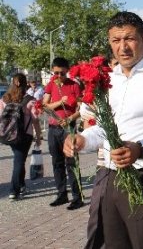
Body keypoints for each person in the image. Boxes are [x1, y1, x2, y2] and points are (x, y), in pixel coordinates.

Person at [63, 11, 143, 248]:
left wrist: (141, 149)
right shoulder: (111, 79)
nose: (122, 47)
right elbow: (106, 129)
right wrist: (83, 139)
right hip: (112, 176)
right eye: (116, 40)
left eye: (129, 39)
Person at [84, 53, 118, 249]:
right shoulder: (99, 92)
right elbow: (89, 123)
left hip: (132, 161)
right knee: (97, 209)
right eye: (112, 66)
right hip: (104, 162)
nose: (115, 70)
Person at [43, 57, 83, 210]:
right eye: (55, 73)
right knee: (57, 162)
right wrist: (60, 102)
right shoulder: (51, 85)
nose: (58, 76)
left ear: (67, 71)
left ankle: (77, 196)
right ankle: (62, 194)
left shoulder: (74, 85)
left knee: (72, 163)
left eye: (61, 73)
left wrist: (71, 118)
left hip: (68, 129)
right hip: (53, 129)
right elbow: (45, 106)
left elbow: (81, 108)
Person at [0, 74, 42, 200]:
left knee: (20, 159)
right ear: (26, 84)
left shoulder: (5, 98)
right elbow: (35, 120)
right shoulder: (29, 99)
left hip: (8, 135)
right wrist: (38, 136)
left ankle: (22, 185)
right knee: (19, 161)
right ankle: (14, 190)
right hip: (25, 135)